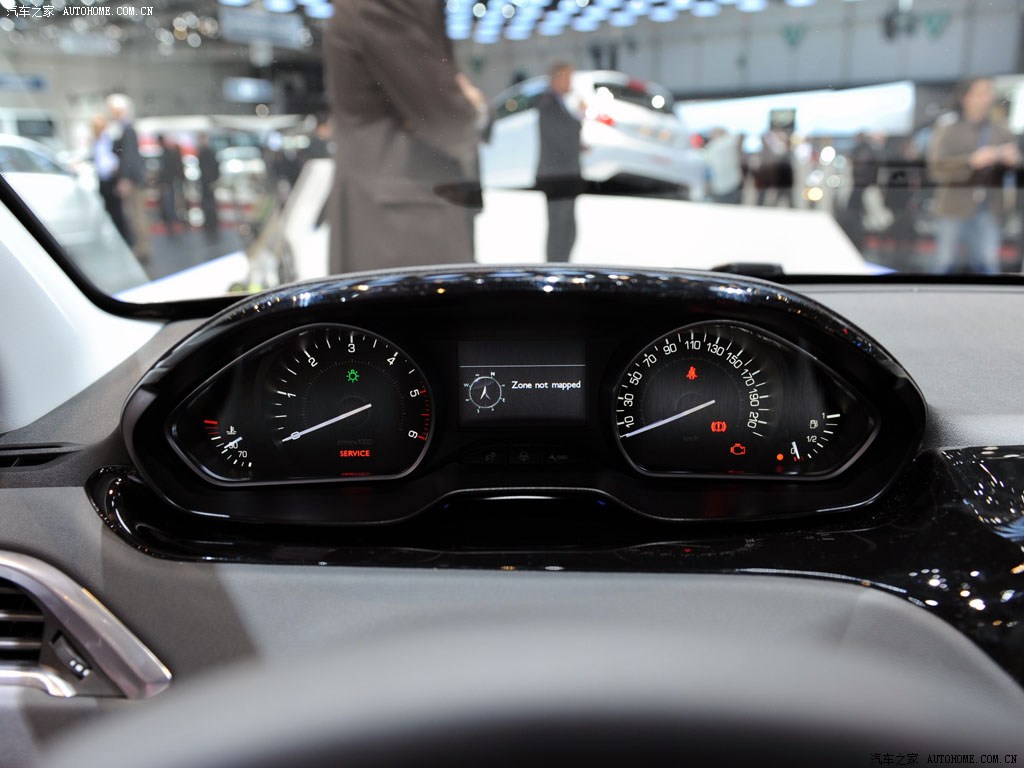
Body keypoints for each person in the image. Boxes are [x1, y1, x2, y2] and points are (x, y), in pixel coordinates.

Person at [323, 0, 482, 273]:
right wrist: (476, 108)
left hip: (395, 212)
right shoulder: (383, 5)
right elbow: (446, 119)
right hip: (402, 221)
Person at [926, 77, 1020, 274]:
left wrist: (1012, 158)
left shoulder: (999, 128)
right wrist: (970, 161)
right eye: (980, 93)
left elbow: (1017, 162)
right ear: (965, 97)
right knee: (944, 264)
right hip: (953, 208)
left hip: (990, 208)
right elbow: (936, 168)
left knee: (988, 265)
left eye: (988, 92)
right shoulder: (948, 128)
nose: (986, 98)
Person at [536, 62, 585, 263]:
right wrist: (579, 116)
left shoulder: (561, 102)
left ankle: (560, 264)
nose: (569, 82)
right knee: (559, 227)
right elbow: (560, 138)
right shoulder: (548, 104)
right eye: (567, 77)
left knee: (568, 228)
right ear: (556, 78)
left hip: (564, 174)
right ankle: (555, 267)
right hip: (556, 175)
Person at [106, 93, 151, 263]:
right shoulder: (123, 128)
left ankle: (142, 248)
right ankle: (141, 247)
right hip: (132, 178)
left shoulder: (127, 129)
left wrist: (124, 178)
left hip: (132, 179)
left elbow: (128, 156)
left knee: (136, 215)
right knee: (134, 215)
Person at [90, 114, 132, 245]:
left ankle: (125, 240)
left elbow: (120, 157)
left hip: (112, 178)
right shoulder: (96, 141)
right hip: (103, 180)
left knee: (118, 212)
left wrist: (120, 177)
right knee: (109, 211)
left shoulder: (110, 139)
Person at [704, 128, 743, 205]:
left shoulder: (710, 148)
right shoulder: (730, 141)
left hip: (719, 187)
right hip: (733, 184)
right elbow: (741, 135)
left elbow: (708, 170)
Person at [156, 135, 184, 236]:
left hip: (168, 182)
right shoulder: (169, 152)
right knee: (171, 202)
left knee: (168, 204)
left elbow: (166, 170)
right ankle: (173, 222)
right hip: (171, 181)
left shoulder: (166, 153)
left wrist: (163, 181)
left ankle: (172, 222)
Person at [197, 133, 220, 241]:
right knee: (207, 204)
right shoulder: (203, 152)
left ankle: (212, 223)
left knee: (210, 204)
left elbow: (215, 167)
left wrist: (214, 180)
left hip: (208, 182)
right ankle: (210, 223)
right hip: (205, 182)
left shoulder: (208, 152)